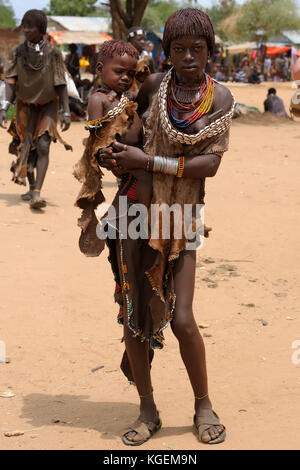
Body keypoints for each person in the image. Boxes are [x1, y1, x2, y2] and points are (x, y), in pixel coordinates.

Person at [100, 8, 234, 446]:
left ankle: (203, 404)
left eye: (197, 49)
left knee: (182, 318)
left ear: (210, 51)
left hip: (179, 218)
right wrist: (111, 150)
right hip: (134, 210)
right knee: (133, 313)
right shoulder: (155, 85)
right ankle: (147, 409)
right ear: (167, 52)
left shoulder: (221, 98)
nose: (189, 57)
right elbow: (127, 127)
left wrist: (147, 161)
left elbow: (208, 166)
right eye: (179, 49)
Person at [73, 39, 152, 256]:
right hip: (120, 157)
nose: (125, 78)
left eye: (130, 73)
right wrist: (102, 153)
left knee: (143, 186)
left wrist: (146, 82)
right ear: (100, 69)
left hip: (139, 154)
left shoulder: (129, 97)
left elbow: (147, 101)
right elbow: (96, 136)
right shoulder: (99, 99)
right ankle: (130, 222)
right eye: (119, 72)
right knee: (141, 183)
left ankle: (121, 225)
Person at [0, 9, 72, 210]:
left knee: (43, 146)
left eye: (30, 26)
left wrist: (66, 111)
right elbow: (11, 81)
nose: (26, 30)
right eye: (24, 26)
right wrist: (4, 107)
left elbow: (60, 83)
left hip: (47, 106)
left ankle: (37, 193)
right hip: (24, 107)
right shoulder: (17, 52)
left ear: (41, 29)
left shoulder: (54, 53)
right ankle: (31, 187)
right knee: (26, 148)